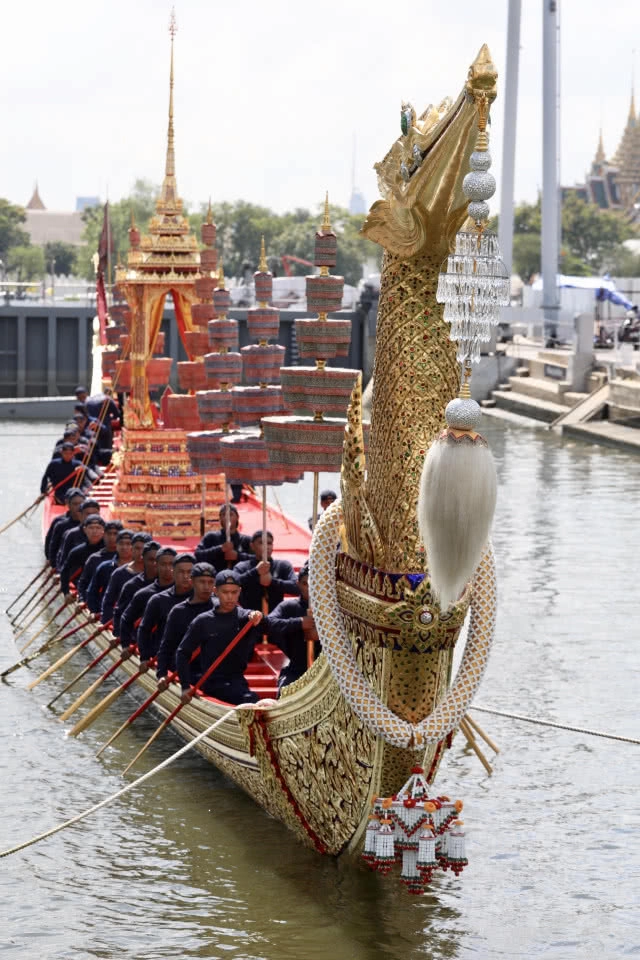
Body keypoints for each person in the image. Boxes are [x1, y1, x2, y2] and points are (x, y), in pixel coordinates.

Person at [176, 569, 263, 705]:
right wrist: (185, 687)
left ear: (239, 592)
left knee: (248, 697)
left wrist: (256, 615)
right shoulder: (202, 621)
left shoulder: (245, 617)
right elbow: (183, 653)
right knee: (249, 699)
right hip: (212, 682)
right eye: (225, 592)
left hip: (237, 680)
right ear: (216, 592)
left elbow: (254, 616)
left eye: (234, 592)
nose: (230, 597)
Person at [155, 562, 217, 689]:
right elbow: (167, 645)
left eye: (210, 582)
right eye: (202, 582)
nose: (206, 587)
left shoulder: (220, 607)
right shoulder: (178, 611)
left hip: (215, 672)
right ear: (192, 582)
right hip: (187, 671)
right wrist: (162, 674)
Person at [266, 562, 320, 691]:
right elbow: (268, 624)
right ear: (298, 585)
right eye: (305, 584)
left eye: (314, 583)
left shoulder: (331, 608)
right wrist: (299, 623)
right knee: (284, 693)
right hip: (297, 668)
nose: (309, 588)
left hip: (325, 671)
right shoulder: (289, 607)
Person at [137, 553, 195, 669]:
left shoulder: (207, 601)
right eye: (181, 572)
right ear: (173, 573)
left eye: (189, 572)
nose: (185, 576)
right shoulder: (158, 600)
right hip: (166, 661)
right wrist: (144, 657)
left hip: (195, 662)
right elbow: (144, 630)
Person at [119, 546, 177, 652]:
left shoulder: (187, 593)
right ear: (157, 565)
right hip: (152, 649)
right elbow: (126, 619)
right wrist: (125, 644)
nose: (168, 568)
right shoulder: (144, 594)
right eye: (163, 564)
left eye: (172, 564)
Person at [233, 530, 299, 613]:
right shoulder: (242, 567)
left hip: (275, 618)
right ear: (252, 546)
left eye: (269, 543)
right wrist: (255, 572)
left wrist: (272, 581)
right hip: (249, 617)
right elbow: (233, 583)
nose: (266, 547)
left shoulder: (282, 566)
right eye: (261, 543)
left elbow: (297, 588)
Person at [111, 540, 159, 638]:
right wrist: (120, 636)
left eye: (157, 561)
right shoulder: (131, 586)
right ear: (143, 559)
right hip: (135, 636)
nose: (154, 564)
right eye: (151, 560)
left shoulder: (173, 585)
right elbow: (120, 614)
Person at [100, 531, 149, 624]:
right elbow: (108, 603)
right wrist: (107, 624)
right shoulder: (118, 574)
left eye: (144, 549)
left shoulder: (158, 574)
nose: (141, 553)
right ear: (132, 549)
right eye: (137, 548)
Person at [86, 529, 133, 614]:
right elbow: (92, 591)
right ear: (116, 545)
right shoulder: (105, 567)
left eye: (128, 544)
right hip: (106, 615)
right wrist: (94, 611)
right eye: (121, 543)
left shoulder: (141, 570)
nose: (124, 547)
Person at [59, 515, 106, 595]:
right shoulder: (78, 551)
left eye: (98, 528)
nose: (94, 531)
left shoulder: (110, 550)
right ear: (85, 530)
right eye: (91, 528)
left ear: (103, 530)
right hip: (85, 588)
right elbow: (65, 571)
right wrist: (66, 592)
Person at [76, 519, 122, 601]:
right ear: (103, 535)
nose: (112, 537)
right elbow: (83, 584)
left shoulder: (129, 559)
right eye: (109, 534)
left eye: (115, 534)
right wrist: (82, 600)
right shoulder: (94, 559)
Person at [195, 504, 252, 570]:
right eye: (224, 514)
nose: (227, 517)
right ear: (220, 519)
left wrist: (238, 556)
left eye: (230, 514)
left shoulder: (246, 540)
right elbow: (198, 555)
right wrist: (220, 549)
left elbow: (258, 559)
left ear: (237, 517)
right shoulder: (211, 537)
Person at [56, 497, 101, 570]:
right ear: (80, 516)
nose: (92, 517)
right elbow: (63, 560)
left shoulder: (106, 534)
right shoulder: (71, 535)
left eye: (94, 514)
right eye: (88, 514)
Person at [45, 487, 84, 564]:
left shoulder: (89, 523)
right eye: (75, 504)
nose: (79, 507)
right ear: (67, 503)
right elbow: (50, 546)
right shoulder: (60, 523)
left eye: (81, 503)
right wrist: (52, 562)